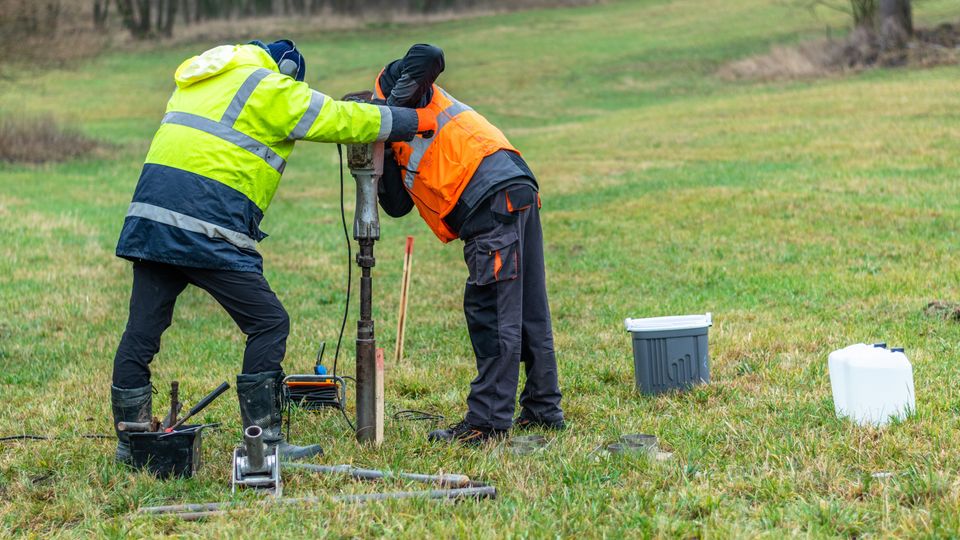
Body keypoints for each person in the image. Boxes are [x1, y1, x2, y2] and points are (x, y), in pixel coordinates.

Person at [110, 39, 436, 463]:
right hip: (208, 227)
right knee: (268, 323)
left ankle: (131, 442)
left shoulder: (200, 79)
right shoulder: (270, 86)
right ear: (286, 68)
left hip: (152, 221)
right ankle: (264, 442)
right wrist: (408, 120)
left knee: (142, 331)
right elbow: (336, 117)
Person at [374, 44, 564, 445]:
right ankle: (544, 410)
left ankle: (487, 423)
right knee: (528, 307)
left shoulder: (396, 88)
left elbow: (428, 54)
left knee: (491, 311)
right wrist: (380, 147)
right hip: (512, 185)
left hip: (488, 194)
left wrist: (390, 108)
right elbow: (395, 205)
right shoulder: (390, 139)